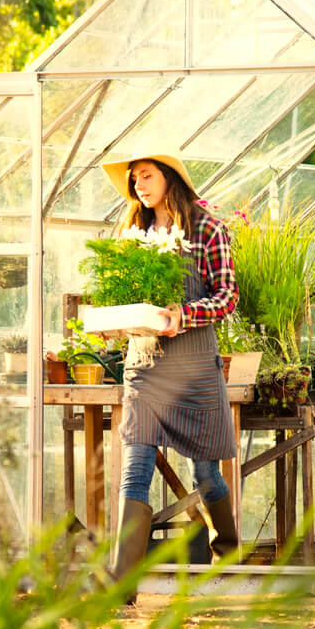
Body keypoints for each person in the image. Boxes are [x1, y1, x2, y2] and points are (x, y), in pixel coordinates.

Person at [99, 149, 240, 592]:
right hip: (144, 367)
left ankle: (227, 549)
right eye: (133, 179)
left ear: (169, 177)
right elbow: (118, 297)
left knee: (205, 474)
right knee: (134, 468)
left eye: (146, 175)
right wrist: (113, 324)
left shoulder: (206, 228)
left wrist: (186, 313)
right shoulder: (129, 234)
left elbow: (227, 296)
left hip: (195, 369)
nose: (138, 184)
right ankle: (122, 584)